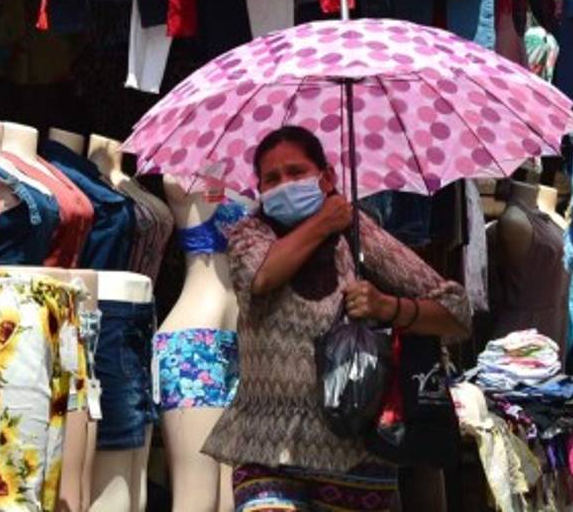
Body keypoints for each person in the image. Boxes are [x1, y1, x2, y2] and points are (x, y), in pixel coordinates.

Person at [201, 126, 472, 511]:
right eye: (272, 179)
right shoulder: (249, 235)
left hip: (353, 451)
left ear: (326, 177)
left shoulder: (359, 235)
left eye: (297, 173)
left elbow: (456, 313)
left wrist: (388, 307)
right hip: (264, 445)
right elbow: (263, 275)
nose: (285, 185)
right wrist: (326, 220)